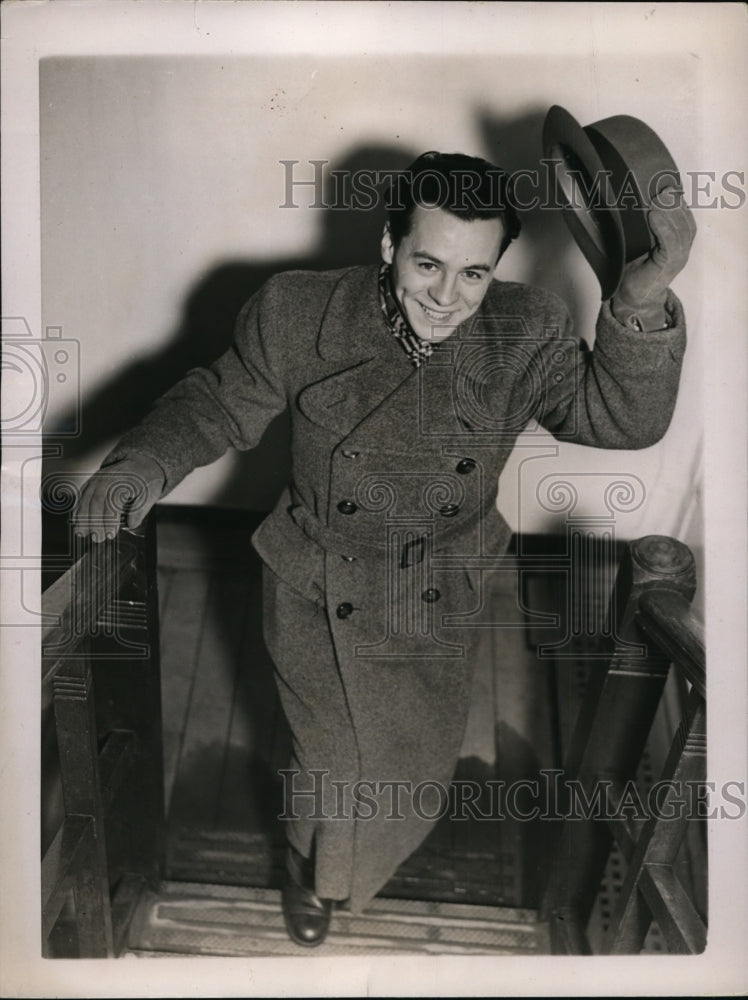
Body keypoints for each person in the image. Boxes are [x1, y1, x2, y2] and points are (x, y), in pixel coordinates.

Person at [72, 151, 696, 947]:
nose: (446, 295)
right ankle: (313, 879)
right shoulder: (302, 314)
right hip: (316, 580)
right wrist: (144, 462)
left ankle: (358, 866)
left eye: (473, 274)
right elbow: (218, 404)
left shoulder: (525, 330)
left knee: (414, 760)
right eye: (427, 262)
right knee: (326, 763)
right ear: (388, 244)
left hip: (440, 589)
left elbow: (624, 420)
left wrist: (640, 298)